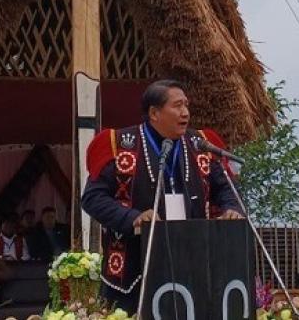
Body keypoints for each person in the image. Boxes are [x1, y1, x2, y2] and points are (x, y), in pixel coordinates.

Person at [81, 79, 244, 313]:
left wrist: (232, 209)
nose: (185, 112)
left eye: (186, 105)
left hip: (193, 263)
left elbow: (228, 189)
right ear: (154, 113)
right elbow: (93, 198)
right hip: (134, 267)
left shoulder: (200, 145)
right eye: (177, 106)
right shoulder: (120, 145)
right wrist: (132, 218)